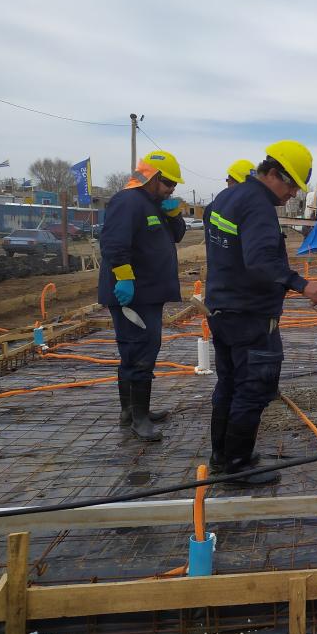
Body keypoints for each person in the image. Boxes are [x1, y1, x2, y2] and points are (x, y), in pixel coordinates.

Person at [204, 141, 317, 485]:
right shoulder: (258, 205)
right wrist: (301, 284)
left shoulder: (228, 197)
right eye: (290, 186)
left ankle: (222, 455)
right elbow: (259, 261)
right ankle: (238, 465)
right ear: (272, 173)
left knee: (229, 382)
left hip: (222, 308)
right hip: (249, 314)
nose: (291, 195)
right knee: (253, 387)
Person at [98, 151, 187, 441]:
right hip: (132, 295)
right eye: (169, 183)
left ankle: (132, 412)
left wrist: (174, 215)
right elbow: (113, 243)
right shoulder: (127, 201)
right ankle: (138, 419)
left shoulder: (152, 203)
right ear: (154, 177)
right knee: (139, 353)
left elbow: (176, 236)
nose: (172, 189)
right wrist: (124, 278)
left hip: (149, 293)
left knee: (139, 351)